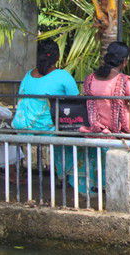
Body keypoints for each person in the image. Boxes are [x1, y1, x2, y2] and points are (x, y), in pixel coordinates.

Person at [80, 42, 130, 192]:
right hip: (120, 134)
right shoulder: (124, 81)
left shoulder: (90, 79)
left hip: (96, 131)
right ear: (124, 61)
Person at [11, 40, 79, 187]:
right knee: (75, 137)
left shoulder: (28, 75)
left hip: (22, 126)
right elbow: (75, 100)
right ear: (57, 56)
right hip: (47, 129)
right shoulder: (63, 76)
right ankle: (66, 177)